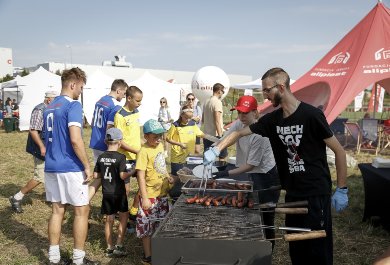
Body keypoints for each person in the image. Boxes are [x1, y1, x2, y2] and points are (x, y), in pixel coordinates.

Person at [204, 67, 348, 265]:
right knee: (297, 252)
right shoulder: (273, 120)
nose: (264, 96)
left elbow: (340, 152)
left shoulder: (311, 115)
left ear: (281, 87)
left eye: (267, 90)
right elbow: (238, 133)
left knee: (318, 252)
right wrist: (215, 149)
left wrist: (342, 188)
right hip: (292, 194)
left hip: (316, 194)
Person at [43, 67, 99, 265]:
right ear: (73, 84)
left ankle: (54, 257)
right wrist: (87, 165)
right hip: (70, 165)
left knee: (57, 211)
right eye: (81, 87)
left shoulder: (49, 106)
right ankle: (78, 259)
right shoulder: (73, 105)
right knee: (81, 211)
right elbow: (75, 140)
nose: (81, 92)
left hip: (51, 165)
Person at [213, 95, 280, 245]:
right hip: (251, 173)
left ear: (255, 113)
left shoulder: (260, 134)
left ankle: (267, 250)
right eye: (239, 112)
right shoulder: (239, 124)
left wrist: (226, 173)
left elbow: (250, 165)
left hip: (266, 177)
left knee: (265, 218)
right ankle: (251, 245)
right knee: (250, 211)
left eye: (246, 112)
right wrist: (213, 150)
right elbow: (226, 138)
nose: (242, 116)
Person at [9, 91, 58, 213]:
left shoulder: (50, 110)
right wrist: (42, 146)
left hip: (48, 147)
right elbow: (33, 130)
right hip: (39, 148)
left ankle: (51, 197)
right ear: (49, 100)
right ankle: (16, 197)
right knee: (39, 177)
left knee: (52, 172)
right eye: (55, 100)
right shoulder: (39, 110)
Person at [135, 119, 173, 265]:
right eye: (154, 137)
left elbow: (161, 165)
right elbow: (140, 176)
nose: (158, 139)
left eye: (160, 136)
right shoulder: (143, 151)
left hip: (162, 194)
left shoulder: (160, 145)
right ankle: (148, 255)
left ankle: (158, 249)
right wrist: (144, 197)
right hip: (149, 196)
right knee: (147, 226)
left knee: (160, 224)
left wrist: (168, 176)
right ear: (146, 136)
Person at [93, 128, 131, 257]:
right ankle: (119, 245)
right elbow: (122, 175)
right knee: (124, 216)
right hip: (119, 193)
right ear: (120, 142)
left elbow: (95, 175)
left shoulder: (101, 156)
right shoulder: (121, 157)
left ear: (105, 141)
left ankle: (109, 247)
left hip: (106, 193)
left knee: (109, 219)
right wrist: (133, 171)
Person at [88, 79, 127, 201]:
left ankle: (84, 199)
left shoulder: (100, 100)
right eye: (124, 93)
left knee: (100, 177)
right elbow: (109, 127)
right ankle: (109, 209)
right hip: (105, 144)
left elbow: (93, 121)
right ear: (118, 90)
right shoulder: (115, 106)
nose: (124, 96)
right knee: (110, 179)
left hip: (95, 142)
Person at [114, 85, 143, 230]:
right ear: (129, 98)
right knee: (124, 191)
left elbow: (135, 134)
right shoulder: (120, 115)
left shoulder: (136, 111)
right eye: (138, 100)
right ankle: (122, 218)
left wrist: (143, 145)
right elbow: (120, 141)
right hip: (125, 158)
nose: (140, 103)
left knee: (145, 184)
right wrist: (136, 150)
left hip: (138, 156)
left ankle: (134, 212)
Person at [166, 105, 206, 175]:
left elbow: (201, 134)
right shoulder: (175, 125)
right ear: (181, 115)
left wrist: (211, 137)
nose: (187, 120)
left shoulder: (192, 124)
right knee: (176, 177)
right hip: (177, 157)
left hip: (189, 157)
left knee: (187, 176)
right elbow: (168, 139)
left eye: (190, 118)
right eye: (186, 118)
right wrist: (180, 144)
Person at [202, 83, 228, 160]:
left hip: (206, 134)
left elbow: (203, 119)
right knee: (222, 157)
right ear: (219, 91)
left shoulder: (206, 101)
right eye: (223, 91)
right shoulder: (217, 102)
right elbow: (217, 121)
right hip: (215, 135)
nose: (222, 93)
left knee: (207, 158)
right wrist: (220, 137)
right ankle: (220, 172)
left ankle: (208, 172)